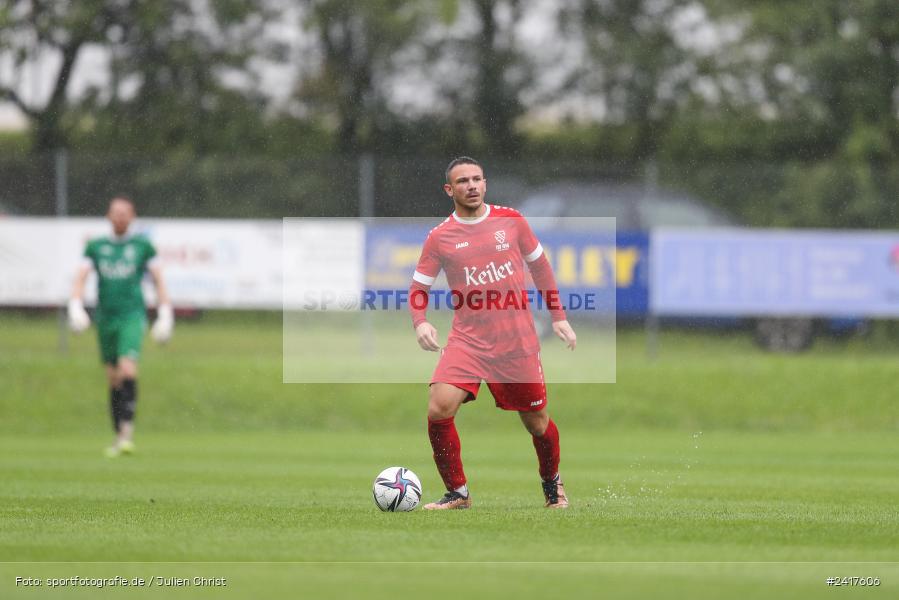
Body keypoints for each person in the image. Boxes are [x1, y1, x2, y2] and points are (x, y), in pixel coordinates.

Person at [409, 156, 577, 510]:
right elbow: (419, 288)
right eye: (463, 181)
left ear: (485, 184)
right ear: (449, 189)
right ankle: (458, 493)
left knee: (537, 423)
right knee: (439, 408)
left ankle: (552, 485)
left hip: (516, 343)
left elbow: (541, 268)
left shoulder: (511, 221)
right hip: (468, 342)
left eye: (477, 179)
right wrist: (420, 321)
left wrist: (558, 317)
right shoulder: (440, 237)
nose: (471, 186)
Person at [68, 197, 173, 457]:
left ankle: (127, 433)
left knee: (127, 369)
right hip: (106, 317)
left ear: (132, 216)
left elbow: (159, 279)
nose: (120, 217)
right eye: (116, 213)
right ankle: (119, 434)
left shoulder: (142, 246)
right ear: (108, 216)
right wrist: (75, 305)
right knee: (113, 378)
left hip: (131, 315)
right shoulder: (96, 246)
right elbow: (81, 277)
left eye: (125, 213)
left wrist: (165, 314)